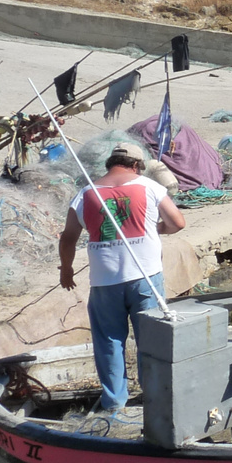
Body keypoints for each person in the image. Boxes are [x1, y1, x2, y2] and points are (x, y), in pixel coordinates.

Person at [59, 141, 186, 410]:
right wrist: (153, 230)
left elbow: (68, 237)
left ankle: (114, 403)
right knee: (150, 341)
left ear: (110, 163)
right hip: (146, 277)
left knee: (109, 342)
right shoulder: (149, 186)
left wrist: (67, 269)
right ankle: (154, 399)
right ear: (137, 166)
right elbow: (177, 223)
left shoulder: (85, 194)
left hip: (105, 282)